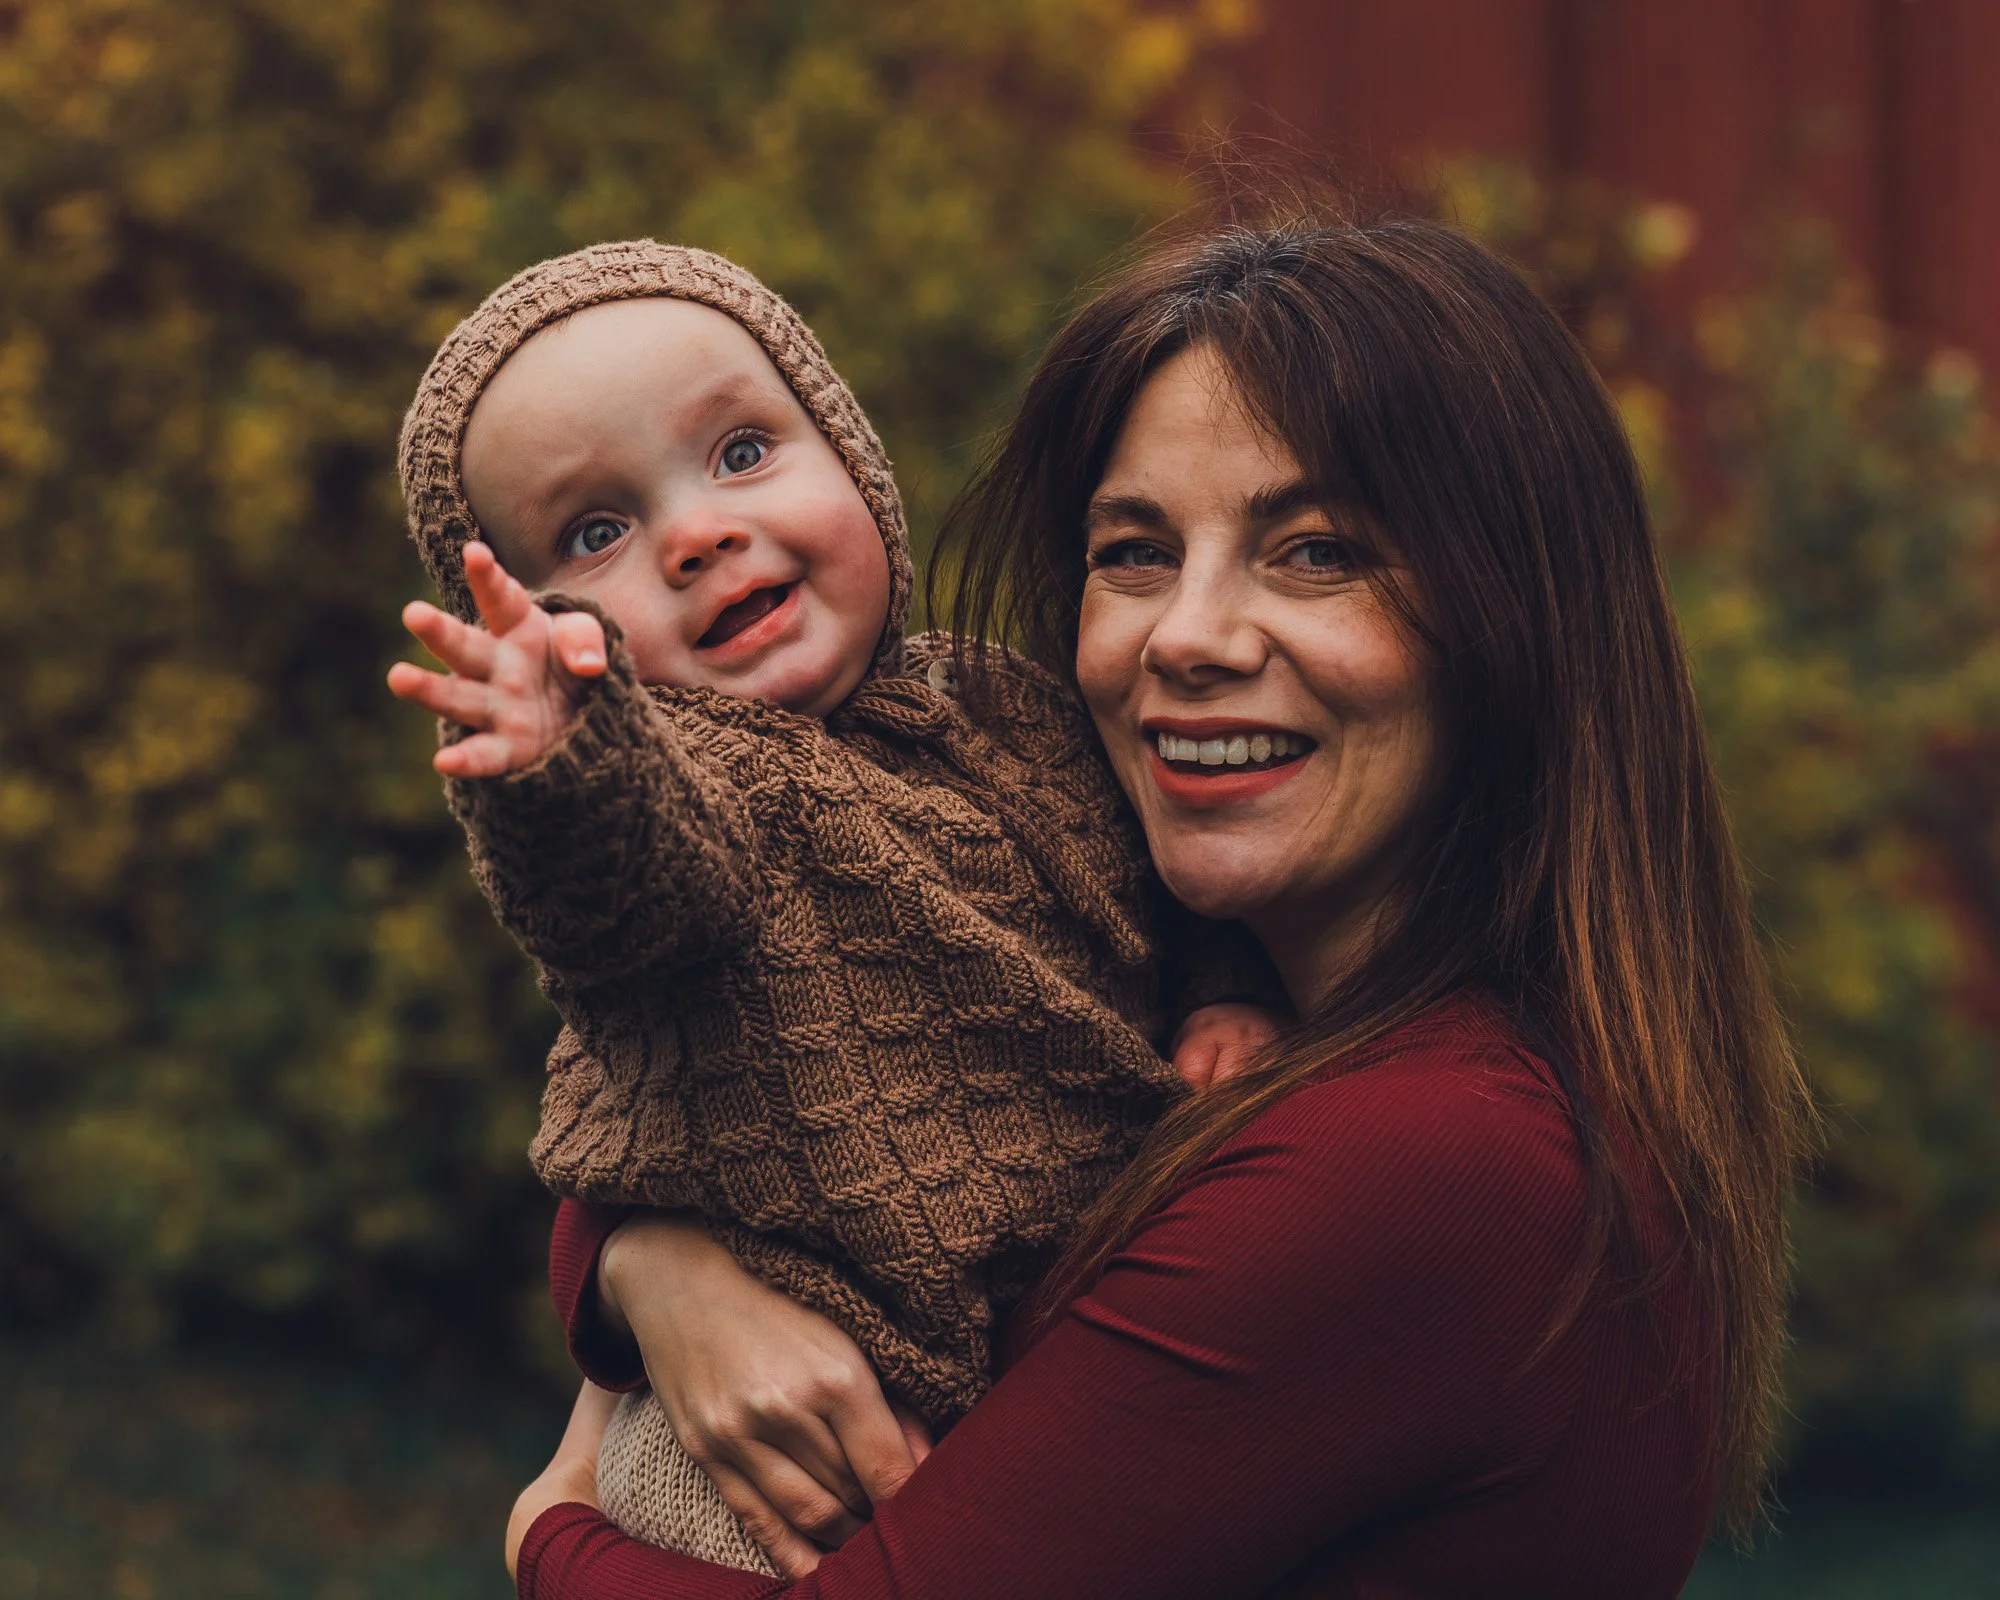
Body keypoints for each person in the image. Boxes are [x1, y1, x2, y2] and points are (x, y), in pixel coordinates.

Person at [504, 210, 1814, 1599]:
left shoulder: (1431, 1156)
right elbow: (758, 1061)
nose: (1185, 637)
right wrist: (641, 1262)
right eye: (1134, 550)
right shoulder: (1176, 1009)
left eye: (1317, 552)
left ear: (1517, 617)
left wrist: (553, 1523)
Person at [388, 241, 1283, 1570]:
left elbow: (1154, 868)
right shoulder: (702, 782)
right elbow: (625, 893)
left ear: (850, 453)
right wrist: (565, 759)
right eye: (595, 533)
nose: (697, 534)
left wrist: (1224, 992)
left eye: (743, 452)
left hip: (1024, 1373)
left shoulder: (1002, 700)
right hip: (772, 1432)